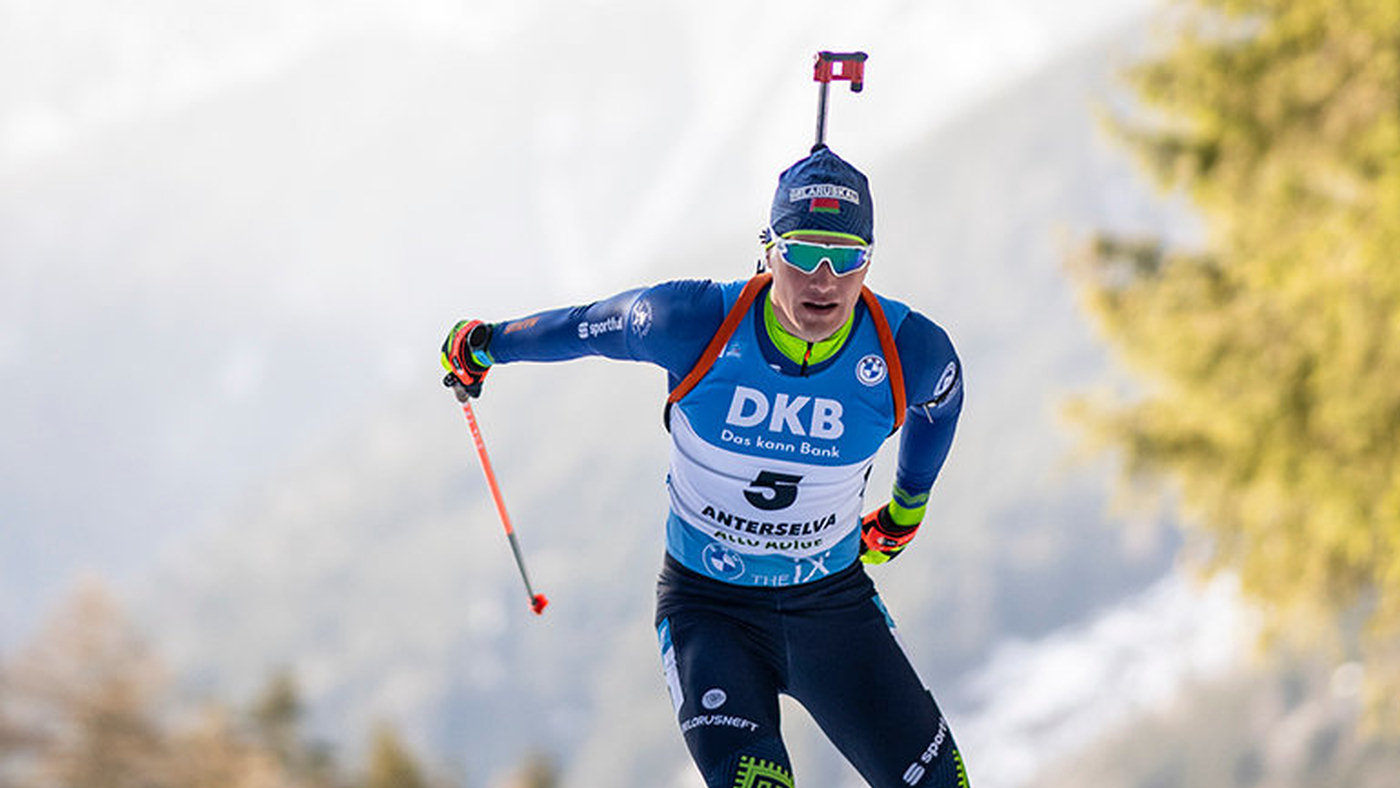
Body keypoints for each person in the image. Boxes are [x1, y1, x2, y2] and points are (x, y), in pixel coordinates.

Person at [442, 146, 968, 788]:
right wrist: (487, 343)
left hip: (833, 607)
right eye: (803, 252)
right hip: (711, 611)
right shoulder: (694, 324)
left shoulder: (907, 349)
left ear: (869, 261)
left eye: (846, 257)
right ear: (768, 250)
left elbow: (943, 401)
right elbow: (584, 326)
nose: (824, 280)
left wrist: (908, 506)